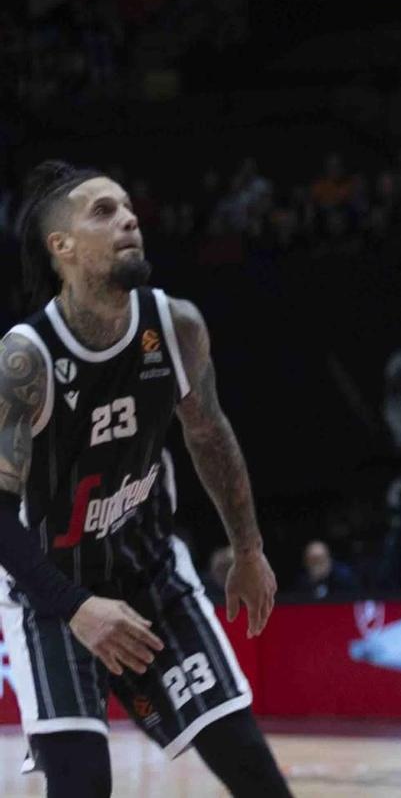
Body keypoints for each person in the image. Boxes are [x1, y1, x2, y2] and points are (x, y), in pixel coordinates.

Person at [2, 163, 289, 795]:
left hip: (148, 570)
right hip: (51, 591)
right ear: (63, 247)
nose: (129, 217)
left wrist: (247, 548)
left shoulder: (176, 325)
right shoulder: (25, 359)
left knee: (254, 772)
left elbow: (209, 434)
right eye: (103, 211)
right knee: (84, 786)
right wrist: (76, 608)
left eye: (128, 206)